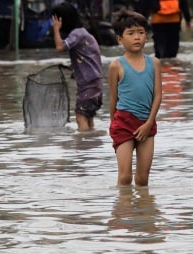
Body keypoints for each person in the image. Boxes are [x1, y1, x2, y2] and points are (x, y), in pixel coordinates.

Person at [108, 9, 162, 187]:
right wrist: (112, 125)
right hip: (123, 122)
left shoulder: (154, 63)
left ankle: (142, 213)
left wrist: (148, 124)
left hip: (146, 121)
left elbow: (158, 96)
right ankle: (122, 211)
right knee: (125, 177)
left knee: (142, 179)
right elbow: (113, 99)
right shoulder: (116, 65)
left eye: (141, 33)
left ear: (147, 35)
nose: (137, 37)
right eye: (130, 34)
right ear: (120, 39)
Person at [52, 2, 103, 131]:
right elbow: (87, 58)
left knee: (80, 116)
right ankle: (90, 143)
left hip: (89, 85)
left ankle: (83, 145)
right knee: (88, 116)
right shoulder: (82, 33)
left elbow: (60, 47)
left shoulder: (77, 34)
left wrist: (56, 30)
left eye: (56, 19)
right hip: (95, 83)